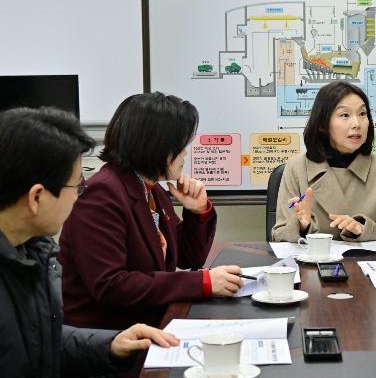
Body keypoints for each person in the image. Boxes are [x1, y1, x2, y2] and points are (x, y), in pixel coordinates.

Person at [0, 107, 179, 377]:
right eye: (77, 186)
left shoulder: (32, 251)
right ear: (36, 197)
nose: (78, 196)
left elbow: (40, 342)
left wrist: (110, 344)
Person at [58, 92, 243, 333]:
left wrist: (198, 212)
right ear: (156, 145)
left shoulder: (151, 189)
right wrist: (203, 282)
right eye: (180, 145)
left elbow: (189, 258)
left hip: (147, 322)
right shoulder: (102, 193)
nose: (185, 153)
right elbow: (112, 285)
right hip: (108, 336)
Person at [272, 81, 376, 242]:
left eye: (362, 114)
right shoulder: (297, 168)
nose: (357, 124)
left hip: (365, 258)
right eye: (345, 115)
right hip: (315, 258)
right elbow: (279, 235)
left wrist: (362, 229)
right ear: (322, 124)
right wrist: (302, 226)